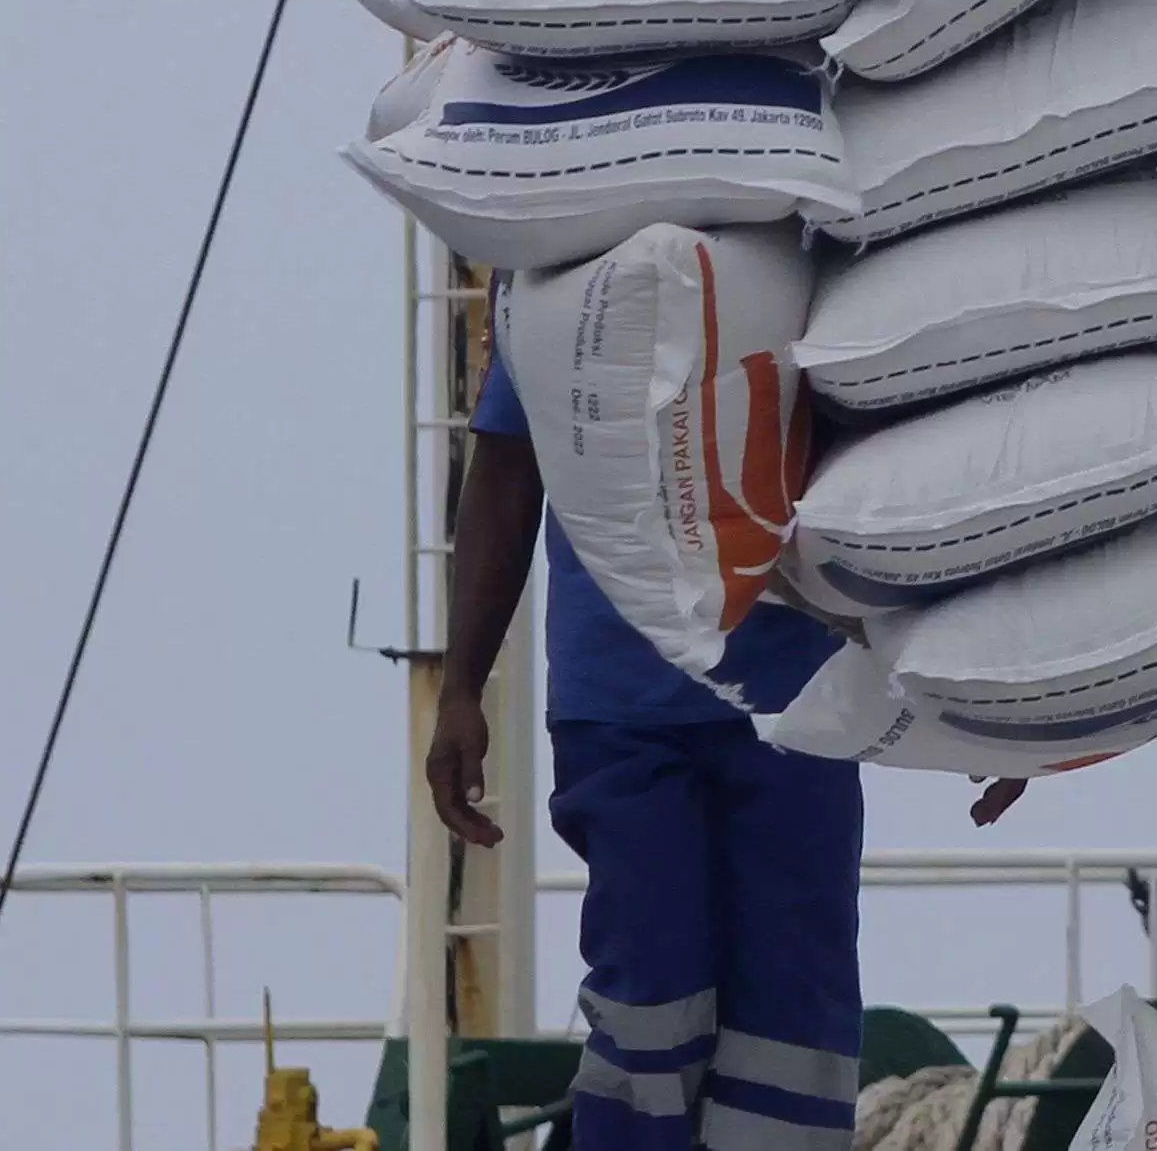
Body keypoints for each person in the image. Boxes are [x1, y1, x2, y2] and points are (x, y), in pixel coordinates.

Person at [435, 305, 1025, 1149]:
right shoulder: (564, 269)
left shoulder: (822, 247)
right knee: (650, 980)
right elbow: (507, 463)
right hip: (622, 708)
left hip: (800, 707)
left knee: (796, 1009)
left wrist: (995, 694)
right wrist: (461, 687)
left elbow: (924, 459)